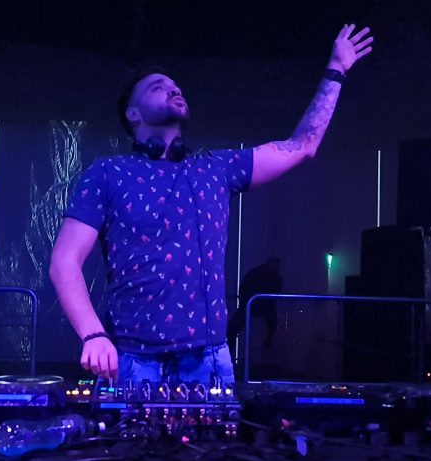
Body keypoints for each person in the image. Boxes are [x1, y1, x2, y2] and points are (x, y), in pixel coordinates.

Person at [49, 24, 373, 386]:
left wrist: (336, 70)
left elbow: (302, 146)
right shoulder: (108, 173)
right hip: (131, 360)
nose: (173, 89)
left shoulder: (214, 168)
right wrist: (93, 334)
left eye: (176, 86)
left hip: (209, 361)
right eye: (157, 87)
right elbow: (65, 260)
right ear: (133, 114)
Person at [228, 256, 283, 351]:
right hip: (250, 306)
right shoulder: (255, 274)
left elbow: (275, 292)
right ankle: (230, 346)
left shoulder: (275, 278)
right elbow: (243, 289)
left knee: (272, 323)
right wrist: (246, 303)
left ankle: (267, 344)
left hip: (263, 307)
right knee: (234, 325)